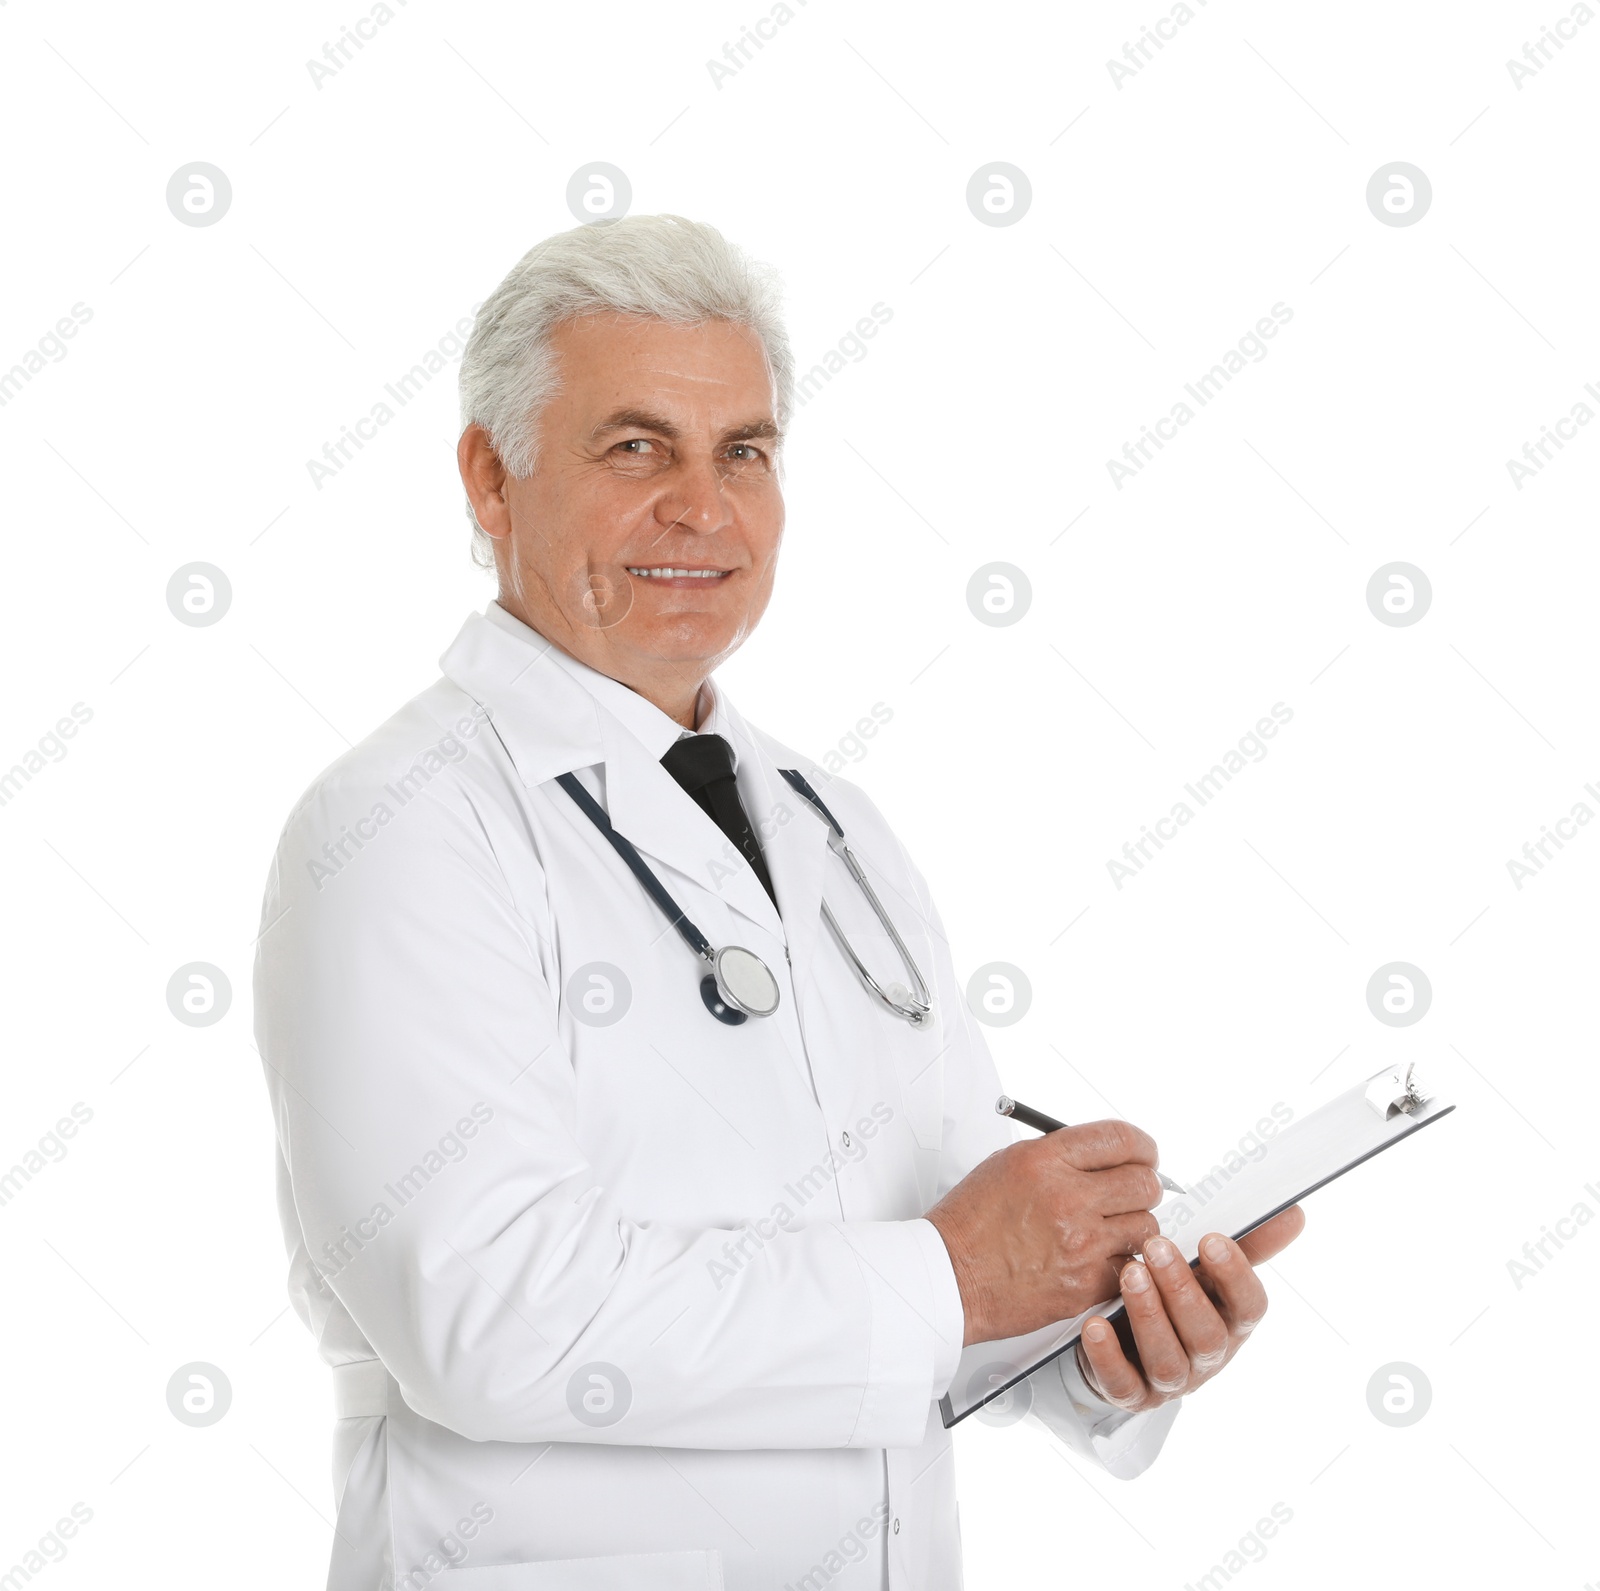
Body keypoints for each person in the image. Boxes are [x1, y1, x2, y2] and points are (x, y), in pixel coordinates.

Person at [253, 213, 1303, 1591]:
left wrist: (1107, 1332)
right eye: (636, 448)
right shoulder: (396, 832)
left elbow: (943, 1234)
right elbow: (488, 1318)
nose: (703, 508)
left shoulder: (832, 826)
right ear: (490, 481)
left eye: (743, 451)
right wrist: (957, 1276)